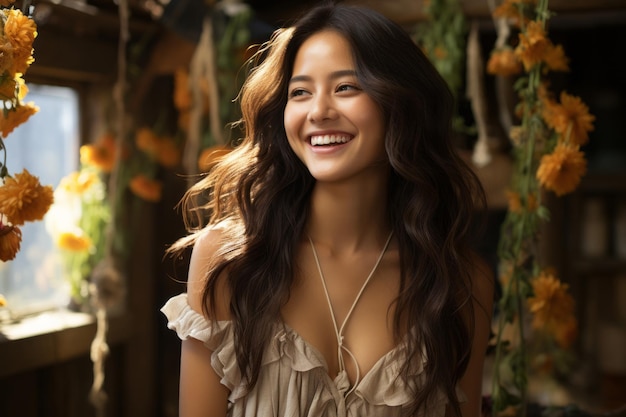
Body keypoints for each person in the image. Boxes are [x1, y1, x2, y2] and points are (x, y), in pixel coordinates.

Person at [162, 3, 494, 417]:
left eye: (346, 88)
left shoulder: (458, 282)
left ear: (401, 104)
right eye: (299, 92)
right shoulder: (229, 259)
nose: (318, 112)